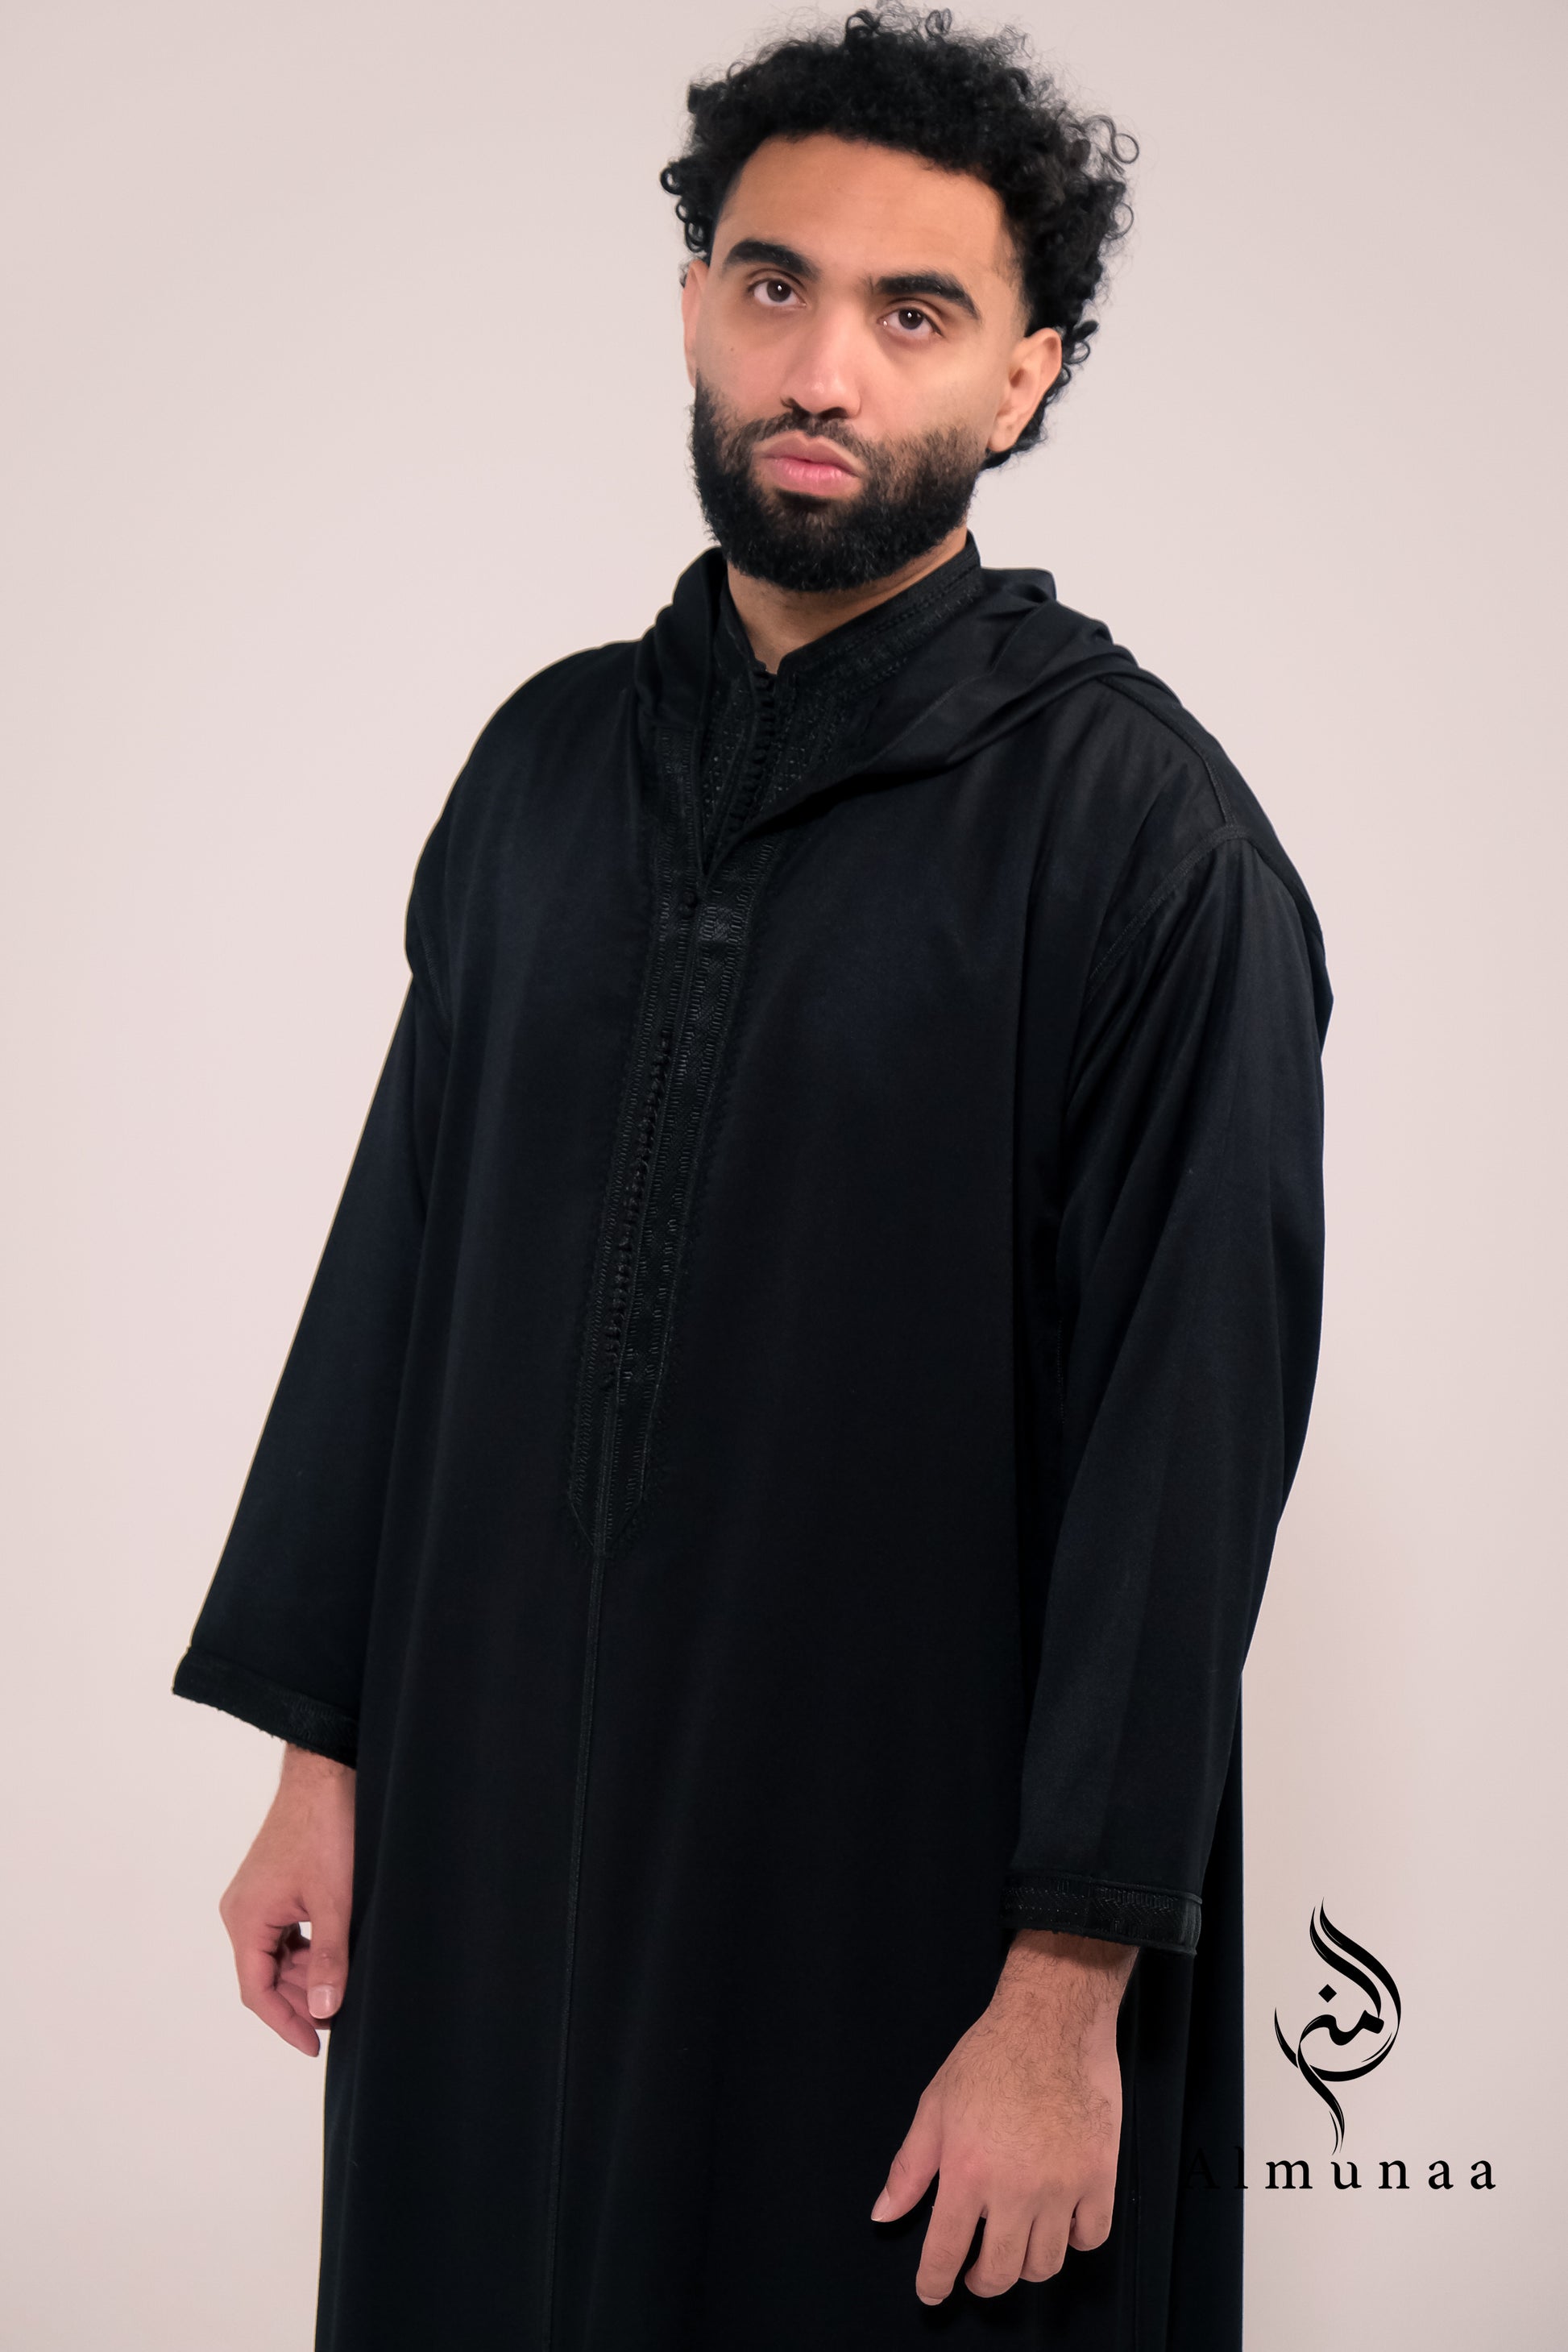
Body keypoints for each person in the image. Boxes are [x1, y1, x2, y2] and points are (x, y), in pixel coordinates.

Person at [172, 10, 1329, 2348]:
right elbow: (405, 1267)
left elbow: (1182, 1451)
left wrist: (1062, 2001)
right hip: (493, 1842)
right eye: (773, 285)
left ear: (1025, 376)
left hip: (898, 1905)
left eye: (916, 313)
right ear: (694, 302)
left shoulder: (1141, 847)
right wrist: (325, 1763)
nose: (824, 368)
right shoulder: (541, 773)